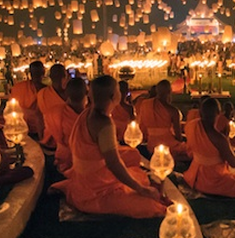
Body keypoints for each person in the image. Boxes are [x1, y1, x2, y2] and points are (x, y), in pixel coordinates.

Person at [51, 75, 169, 218]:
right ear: (114, 96)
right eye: (118, 89)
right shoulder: (104, 123)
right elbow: (113, 164)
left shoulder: (86, 113)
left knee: (133, 156)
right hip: (95, 189)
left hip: (88, 175)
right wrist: (141, 190)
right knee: (150, 206)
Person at [183, 98, 235, 197]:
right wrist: (227, 141)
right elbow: (234, 163)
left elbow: (190, 150)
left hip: (193, 176)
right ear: (218, 113)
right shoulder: (219, 138)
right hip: (213, 181)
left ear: (200, 112)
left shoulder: (190, 126)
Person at [138, 79, 189, 160]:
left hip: (151, 145)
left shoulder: (145, 104)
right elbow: (178, 137)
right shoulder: (173, 110)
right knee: (191, 151)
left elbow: (142, 126)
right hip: (169, 146)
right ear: (169, 92)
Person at [52, 77, 86, 176]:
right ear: (86, 93)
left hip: (63, 158)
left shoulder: (54, 112)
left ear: (66, 94)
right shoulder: (90, 117)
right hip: (84, 161)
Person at [10, 61, 46, 137]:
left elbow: (12, 108)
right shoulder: (47, 90)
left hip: (20, 127)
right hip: (34, 128)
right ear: (44, 72)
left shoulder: (18, 87)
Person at [37, 63, 68, 149]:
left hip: (48, 138)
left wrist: (41, 136)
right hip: (63, 139)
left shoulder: (42, 93)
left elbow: (39, 117)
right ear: (65, 76)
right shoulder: (70, 94)